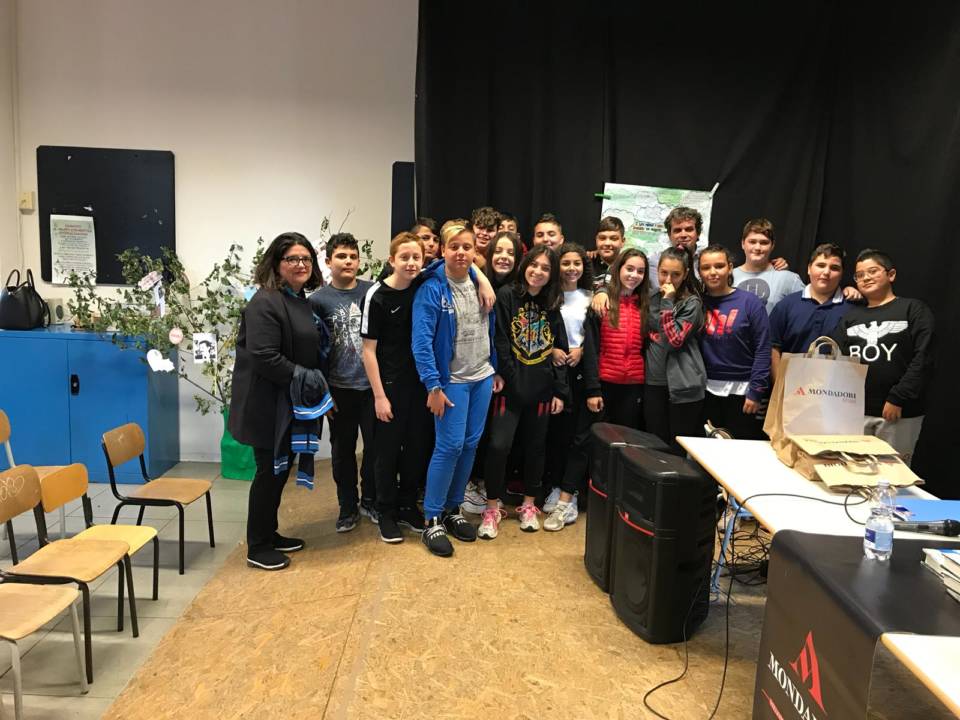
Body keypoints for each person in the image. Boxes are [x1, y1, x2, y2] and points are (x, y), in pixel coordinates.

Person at [230, 232, 325, 571]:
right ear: (276, 263)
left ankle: (269, 534)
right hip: (266, 405)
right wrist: (306, 376)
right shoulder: (265, 302)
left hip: (288, 403)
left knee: (280, 471)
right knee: (269, 473)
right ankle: (257, 546)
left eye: (306, 259)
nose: (300, 264)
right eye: (292, 259)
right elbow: (264, 356)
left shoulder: (298, 299)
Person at [412, 220, 500, 557]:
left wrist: (494, 369)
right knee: (448, 446)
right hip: (451, 382)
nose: (461, 253)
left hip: (481, 377)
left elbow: (490, 330)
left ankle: (452, 508)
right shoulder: (431, 288)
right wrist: (433, 386)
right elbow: (421, 342)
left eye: (467, 247)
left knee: (470, 445)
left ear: (475, 251)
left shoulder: (478, 281)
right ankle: (432, 518)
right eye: (454, 247)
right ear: (442, 250)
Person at [480, 246, 566, 539]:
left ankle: (529, 504)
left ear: (551, 274)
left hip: (542, 390)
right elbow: (500, 339)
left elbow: (559, 347)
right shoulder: (507, 295)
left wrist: (559, 391)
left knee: (536, 448)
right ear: (525, 265)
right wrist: (512, 379)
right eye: (534, 265)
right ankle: (492, 507)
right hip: (510, 388)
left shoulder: (552, 302)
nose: (538, 272)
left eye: (545, 268)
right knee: (498, 446)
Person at [831, 249, 934, 466]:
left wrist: (898, 397)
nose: (866, 278)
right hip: (855, 412)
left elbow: (923, 358)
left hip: (898, 412)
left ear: (891, 274)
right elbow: (837, 357)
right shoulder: (851, 317)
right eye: (860, 275)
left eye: (873, 271)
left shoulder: (913, 310)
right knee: (854, 471)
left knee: (892, 475)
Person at [361, 232, 432, 543]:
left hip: (420, 387)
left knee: (416, 449)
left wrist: (482, 280)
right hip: (388, 388)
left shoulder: (423, 285)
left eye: (416, 257)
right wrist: (379, 396)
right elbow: (368, 351)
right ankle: (386, 511)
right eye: (404, 257)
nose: (411, 262)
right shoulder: (377, 295)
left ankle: (407, 506)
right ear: (392, 260)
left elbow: (458, 264)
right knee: (386, 453)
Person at [309, 233, 377, 532]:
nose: (348, 261)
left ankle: (370, 500)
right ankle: (347, 506)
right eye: (341, 256)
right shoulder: (317, 300)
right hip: (339, 389)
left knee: (375, 449)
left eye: (352, 256)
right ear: (328, 261)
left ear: (359, 261)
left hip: (372, 388)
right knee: (342, 452)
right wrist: (324, 392)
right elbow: (313, 350)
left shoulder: (372, 291)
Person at [462, 229, 525, 515]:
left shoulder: (518, 289)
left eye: (510, 253)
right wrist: (482, 277)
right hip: (475, 370)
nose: (504, 257)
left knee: (496, 437)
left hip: (506, 373)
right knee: (474, 432)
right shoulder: (473, 279)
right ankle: (469, 484)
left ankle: (491, 485)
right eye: (498, 251)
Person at [541, 243, 597, 532]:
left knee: (579, 436)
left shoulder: (592, 297)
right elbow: (539, 329)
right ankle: (554, 485)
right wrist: (551, 349)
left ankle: (570, 492)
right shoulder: (549, 296)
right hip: (553, 372)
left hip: (581, 373)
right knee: (556, 435)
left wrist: (582, 350)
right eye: (566, 263)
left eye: (577, 263)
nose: (572, 268)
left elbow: (597, 336)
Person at [698, 245, 771, 440]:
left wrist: (756, 391)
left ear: (730, 267)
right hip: (705, 391)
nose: (713, 272)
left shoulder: (750, 302)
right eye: (706, 267)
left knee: (738, 450)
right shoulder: (697, 303)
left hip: (743, 393)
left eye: (719, 266)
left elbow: (763, 349)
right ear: (699, 272)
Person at [644, 246, 706, 451]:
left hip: (683, 385)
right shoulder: (651, 298)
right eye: (663, 273)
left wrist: (668, 302)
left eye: (676, 274)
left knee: (678, 448)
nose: (668, 280)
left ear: (686, 274)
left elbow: (675, 340)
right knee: (655, 445)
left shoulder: (692, 303)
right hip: (653, 382)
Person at [582, 248, 649, 430]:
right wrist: (593, 390)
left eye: (640, 271)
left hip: (633, 385)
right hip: (604, 384)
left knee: (626, 438)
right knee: (598, 437)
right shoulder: (601, 303)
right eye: (629, 269)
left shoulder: (645, 306)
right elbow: (590, 349)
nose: (634, 275)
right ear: (618, 269)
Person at [769, 243, 851, 380]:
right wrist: (780, 385)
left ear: (842, 274)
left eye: (834, 268)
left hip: (837, 389)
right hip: (791, 387)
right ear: (809, 269)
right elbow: (773, 349)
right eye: (821, 265)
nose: (826, 272)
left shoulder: (852, 308)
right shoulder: (786, 305)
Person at [732, 218, 804, 314]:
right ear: (743, 244)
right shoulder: (728, 276)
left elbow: (806, 311)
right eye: (752, 242)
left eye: (764, 243)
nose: (757, 247)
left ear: (772, 245)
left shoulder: (788, 279)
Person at [591, 216, 626, 292]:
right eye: (602, 238)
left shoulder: (629, 267)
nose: (607, 243)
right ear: (596, 240)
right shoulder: (585, 264)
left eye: (613, 238)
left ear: (623, 241)